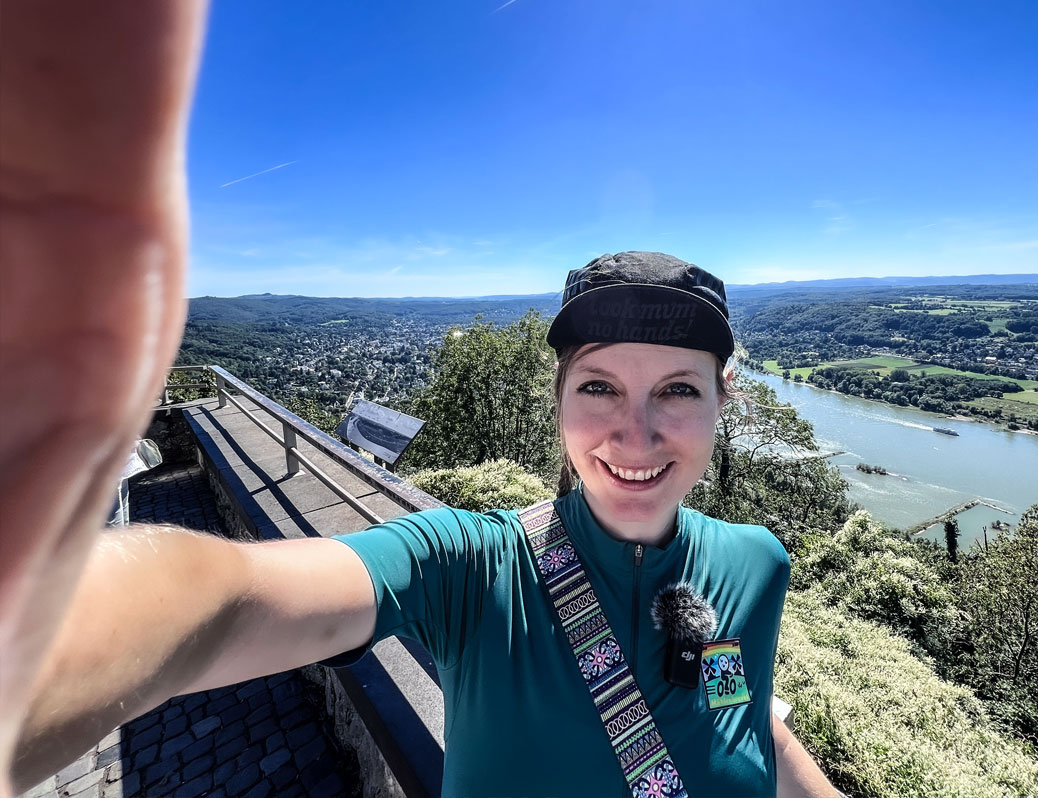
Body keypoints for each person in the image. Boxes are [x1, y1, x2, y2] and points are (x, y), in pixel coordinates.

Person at [1, 4, 836, 796]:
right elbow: (223, 604)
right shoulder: (473, 569)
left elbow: (745, 718)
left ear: (725, 398)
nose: (636, 431)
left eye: (679, 390)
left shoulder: (756, 564)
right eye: (599, 386)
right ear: (557, 398)